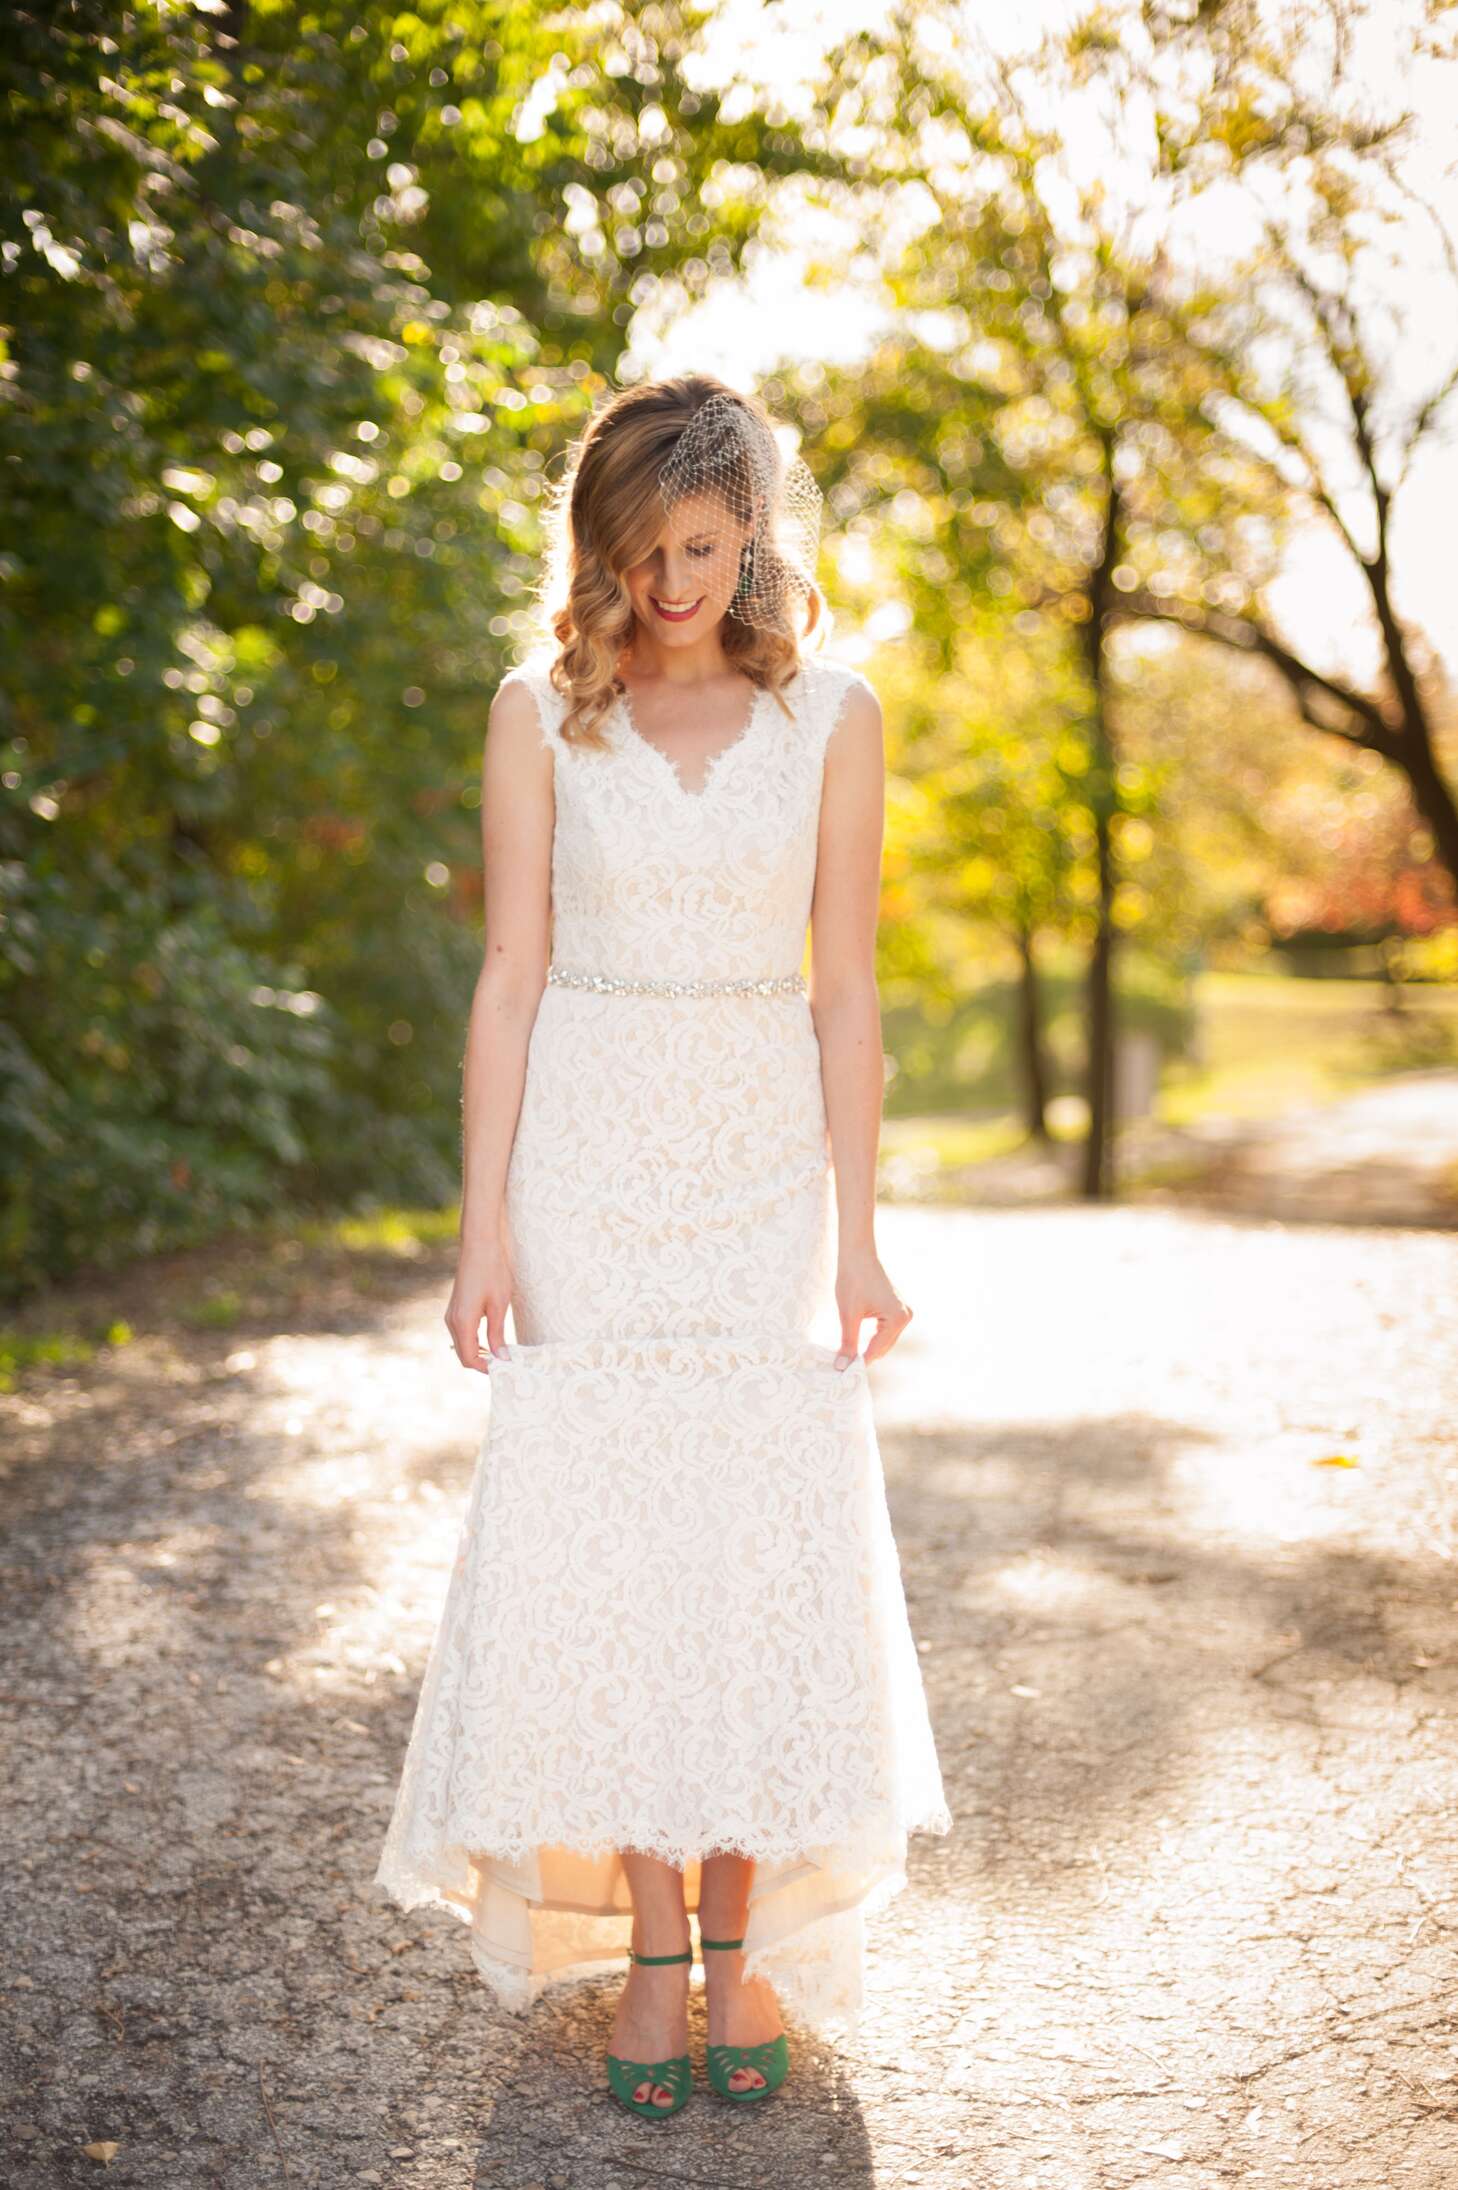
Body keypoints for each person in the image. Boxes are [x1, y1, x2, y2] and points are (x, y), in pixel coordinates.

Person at [375, 374, 951, 2117]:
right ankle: (641, 1945)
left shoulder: (832, 716)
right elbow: (508, 976)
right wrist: (480, 1226)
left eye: (701, 546)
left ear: (751, 533)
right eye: (639, 552)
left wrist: (858, 1234)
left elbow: (844, 987)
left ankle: (740, 1944)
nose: (672, 582)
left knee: (749, 1547)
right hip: (588, 1159)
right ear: (597, 551)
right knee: (611, 1549)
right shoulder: (536, 715)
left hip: (758, 1161)